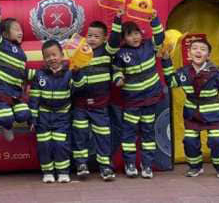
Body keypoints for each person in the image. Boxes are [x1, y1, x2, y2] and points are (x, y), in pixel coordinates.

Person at [162, 38, 219, 179]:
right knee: (189, 141)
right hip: (192, 114)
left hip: (214, 114)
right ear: (188, 53)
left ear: (208, 55)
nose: (198, 51)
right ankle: (195, 167)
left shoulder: (216, 74)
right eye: (194, 48)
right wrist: (166, 60)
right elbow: (171, 81)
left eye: (203, 49)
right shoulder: (183, 73)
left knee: (217, 141)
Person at [111, 11, 165, 179]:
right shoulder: (120, 54)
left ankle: (147, 165)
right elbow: (116, 71)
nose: (134, 37)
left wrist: (154, 19)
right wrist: (118, 79)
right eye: (129, 35)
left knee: (148, 132)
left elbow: (160, 38)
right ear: (123, 38)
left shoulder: (150, 45)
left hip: (151, 98)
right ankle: (129, 164)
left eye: (136, 33)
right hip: (132, 101)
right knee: (129, 133)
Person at [71, 16, 122, 181]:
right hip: (80, 104)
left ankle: (106, 167)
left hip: (100, 105)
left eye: (96, 36)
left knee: (103, 136)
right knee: (80, 134)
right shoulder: (79, 51)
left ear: (104, 39)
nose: (92, 39)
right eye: (89, 35)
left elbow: (115, 40)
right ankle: (81, 164)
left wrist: (118, 19)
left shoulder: (107, 51)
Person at [0, 0, 31, 141]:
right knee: (6, 117)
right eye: (16, 29)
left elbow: (23, 73)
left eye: (21, 29)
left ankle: (7, 125)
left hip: (15, 93)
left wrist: (38, 75)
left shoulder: (22, 54)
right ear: (5, 34)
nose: (20, 31)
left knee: (24, 115)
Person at [28, 40, 75, 183]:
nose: (52, 58)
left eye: (54, 55)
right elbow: (34, 99)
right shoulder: (39, 75)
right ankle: (47, 172)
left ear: (62, 55)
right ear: (44, 59)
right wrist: (32, 120)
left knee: (61, 145)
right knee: (45, 145)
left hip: (62, 116)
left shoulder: (70, 74)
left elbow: (77, 94)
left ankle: (63, 172)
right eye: (47, 56)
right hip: (44, 116)